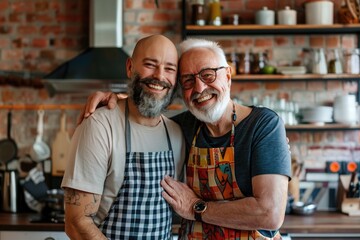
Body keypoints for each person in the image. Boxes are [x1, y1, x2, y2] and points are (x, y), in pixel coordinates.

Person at [83, 38, 291, 240]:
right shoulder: (182, 126)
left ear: (227, 75)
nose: (199, 89)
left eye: (208, 75)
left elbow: (269, 214)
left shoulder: (263, 125)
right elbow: (143, 109)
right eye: (188, 81)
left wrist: (196, 207)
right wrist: (114, 101)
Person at [61, 34, 186, 240]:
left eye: (170, 69)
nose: (159, 76)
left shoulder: (177, 132)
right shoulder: (99, 125)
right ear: (130, 68)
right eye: (150, 64)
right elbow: (76, 223)